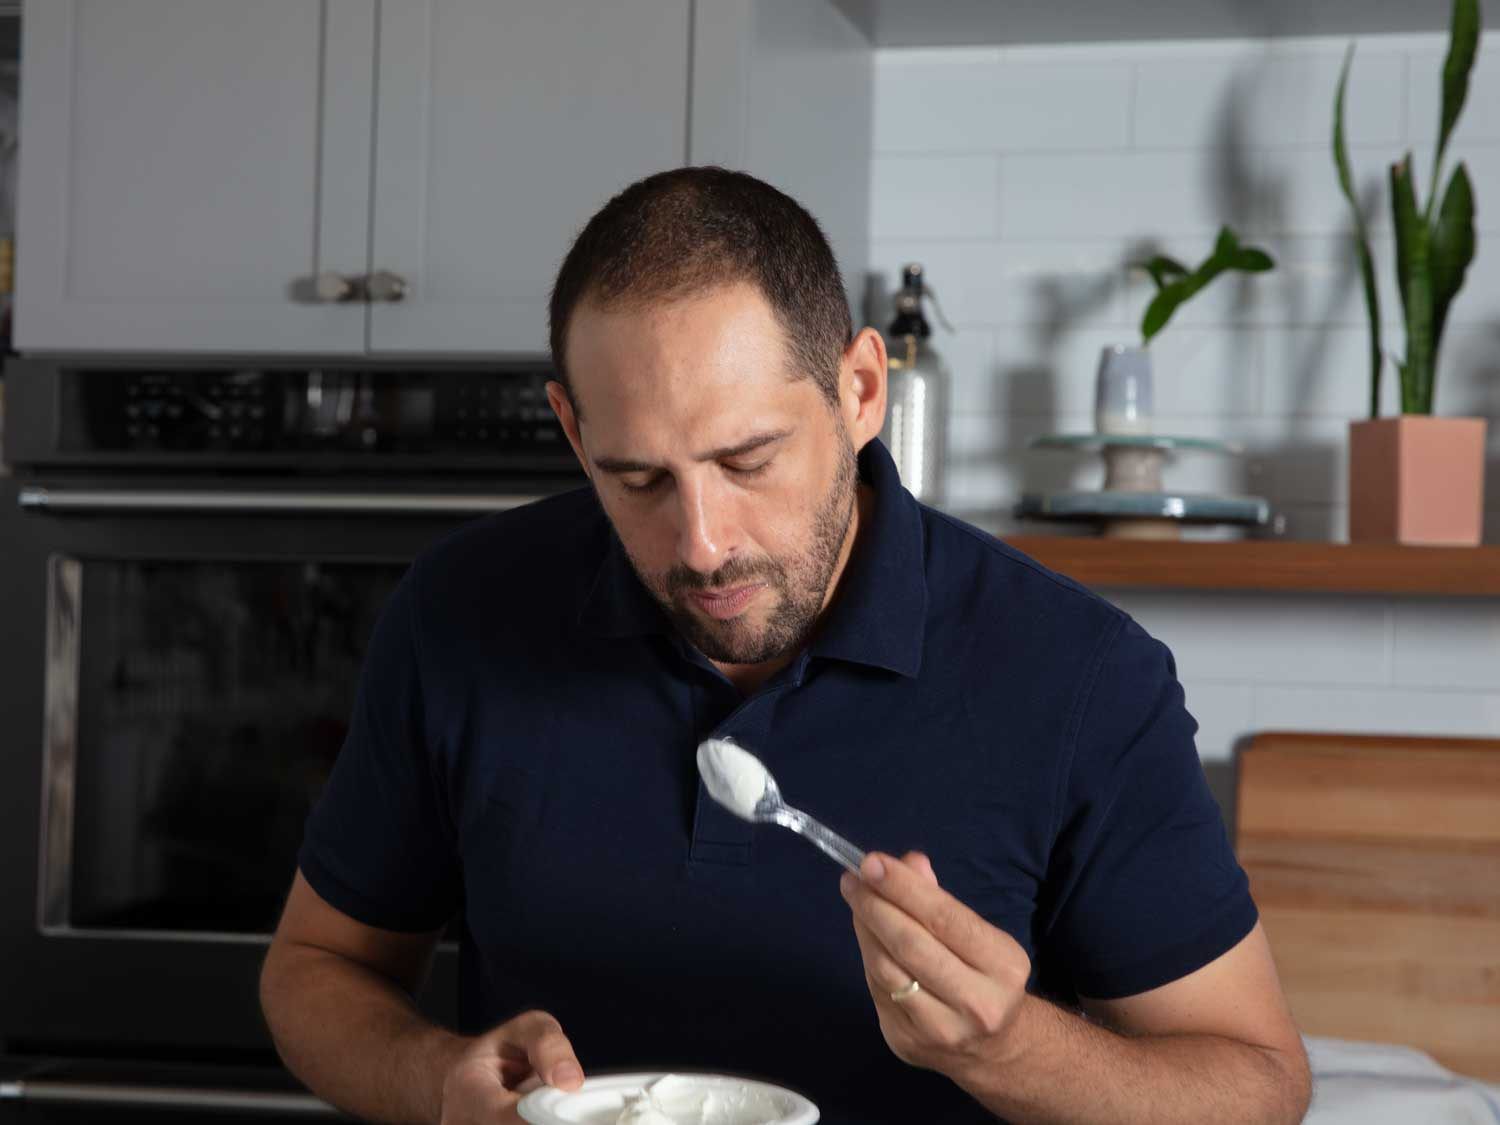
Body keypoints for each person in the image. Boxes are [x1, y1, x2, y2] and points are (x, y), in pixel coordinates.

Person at [260, 166, 1311, 1125]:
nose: (702, 544)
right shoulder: (460, 613)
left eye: (748, 459)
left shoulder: (1080, 677)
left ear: (862, 392)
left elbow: (1259, 1087)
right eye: (639, 479)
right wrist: (437, 1081)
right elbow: (312, 970)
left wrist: (1009, 1048)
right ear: (574, 433)